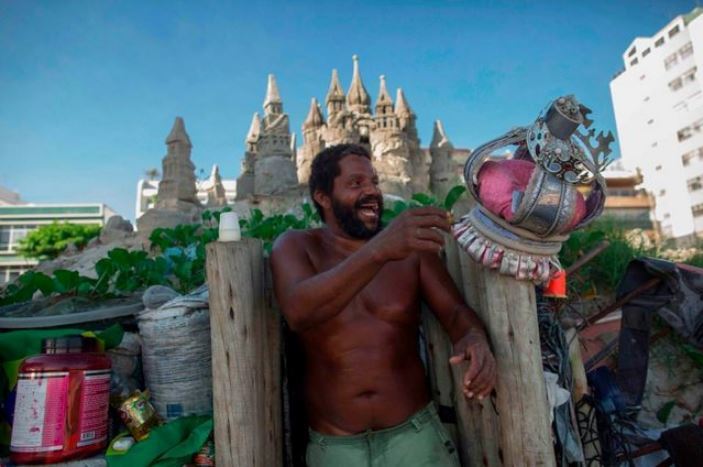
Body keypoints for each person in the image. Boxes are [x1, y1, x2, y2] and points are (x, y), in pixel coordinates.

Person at [271, 143, 496, 467]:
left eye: (374, 182)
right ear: (322, 197)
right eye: (356, 184)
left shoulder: (410, 250)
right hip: (335, 448)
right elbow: (298, 311)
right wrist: (379, 250)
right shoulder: (296, 246)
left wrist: (473, 336)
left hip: (415, 439)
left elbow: (456, 313)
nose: (372, 192)